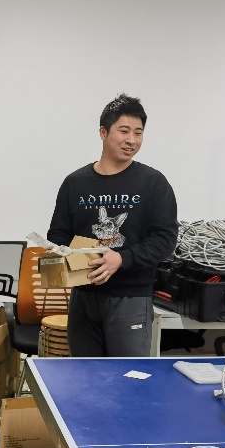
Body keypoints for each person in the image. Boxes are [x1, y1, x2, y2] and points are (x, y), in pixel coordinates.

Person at [47, 94, 177, 357]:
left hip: (131, 298)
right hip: (83, 296)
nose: (132, 140)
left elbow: (165, 239)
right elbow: (58, 233)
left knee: (126, 376)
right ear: (103, 132)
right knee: (85, 374)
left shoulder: (153, 183)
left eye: (138, 133)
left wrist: (122, 258)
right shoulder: (75, 183)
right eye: (124, 131)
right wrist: (62, 256)